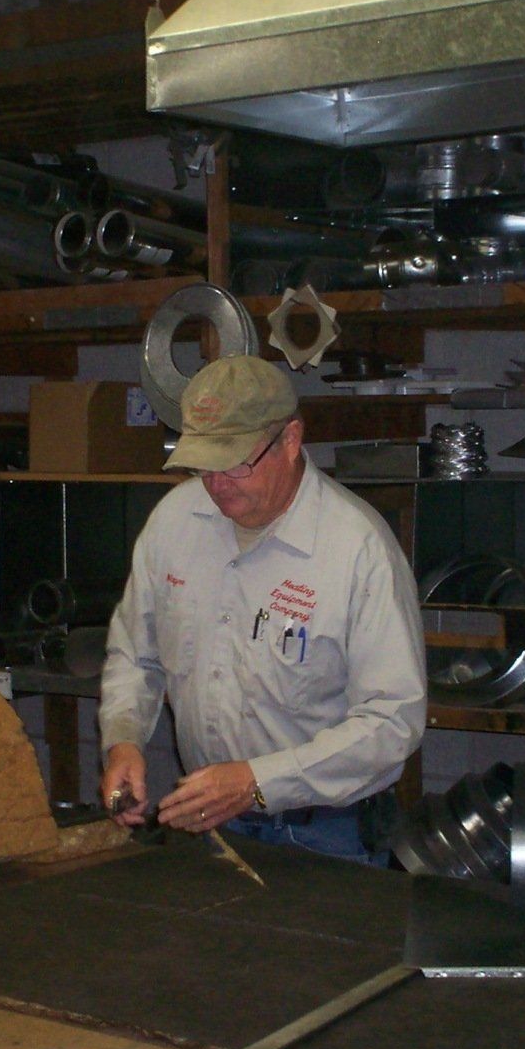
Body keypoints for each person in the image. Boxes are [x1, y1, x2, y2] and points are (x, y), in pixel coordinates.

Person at [97, 354, 426, 865]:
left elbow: (392, 723)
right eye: (203, 464)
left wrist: (258, 782)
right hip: (213, 825)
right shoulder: (174, 523)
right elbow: (135, 655)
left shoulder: (357, 551)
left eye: (235, 462)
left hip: (325, 836)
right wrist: (122, 739)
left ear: (291, 440)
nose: (217, 482)